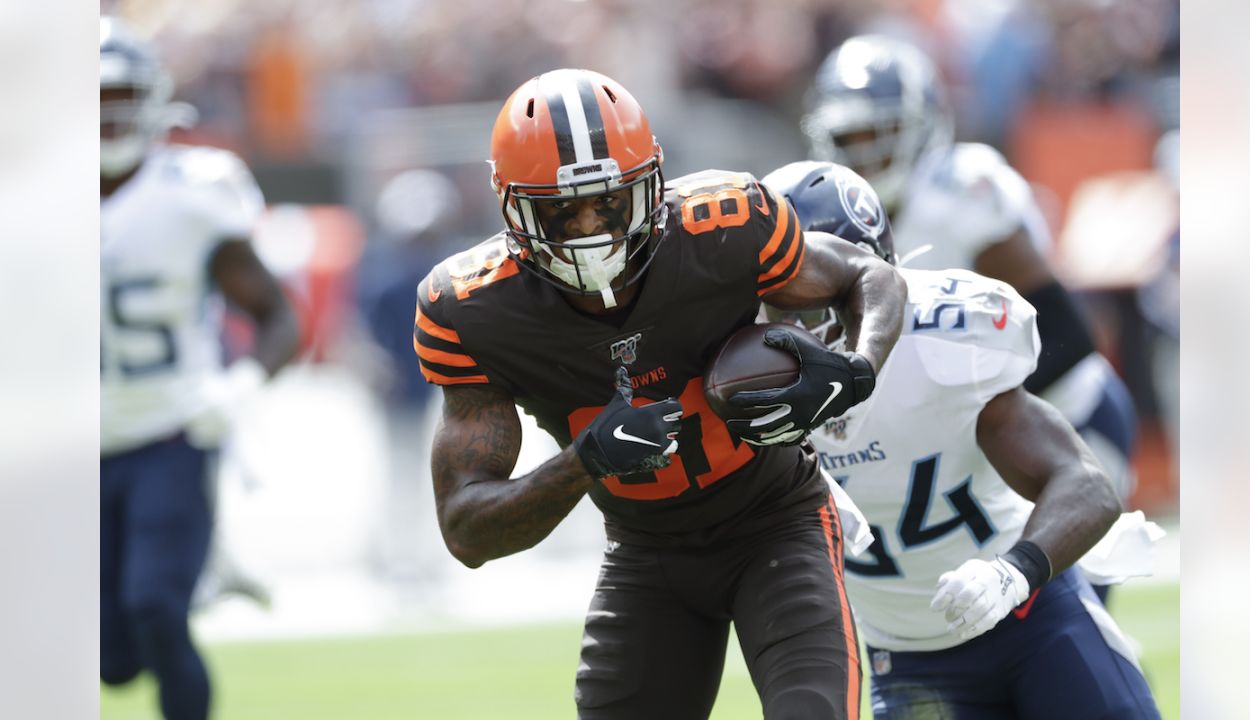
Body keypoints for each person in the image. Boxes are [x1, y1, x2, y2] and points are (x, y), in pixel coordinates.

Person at [414, 68, 907, 720]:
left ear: (652, 184)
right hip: (646, 557)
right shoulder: (472, 309)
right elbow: (467, 529)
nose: (589, 228)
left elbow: (868, 276)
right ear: (512, 208)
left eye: (610, 202)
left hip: (777, 522)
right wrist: (583, 460)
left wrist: (857, 367)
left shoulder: (725, 224)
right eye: (560, 211)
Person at [762, 160, 1161, 719]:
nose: (797, 321)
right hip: (905, 661)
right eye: (778, 293)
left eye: (816, 288)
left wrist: (1014, 570)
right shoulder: (741, 381)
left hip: (1032, 621)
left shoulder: (943, 345)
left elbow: (1085, 483)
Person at [800, 37, 1140, 587]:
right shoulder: (827, 207)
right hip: (980, 429)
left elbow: (1066, 335)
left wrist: (958, 406)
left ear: (922, 127)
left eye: (878, 133)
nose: (863, 152)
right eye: (848, 137)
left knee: (1059, 606)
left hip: (1063, 415)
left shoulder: (962, 192)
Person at [100, 17, 300, 720]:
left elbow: (280, 313)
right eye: (90, 100)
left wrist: (239, 386)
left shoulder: (192, 190)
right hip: (74, 451)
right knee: (109, 657)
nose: (104, 115)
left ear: (151, 98)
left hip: (171, 432)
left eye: (117, 96)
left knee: (156, 606)